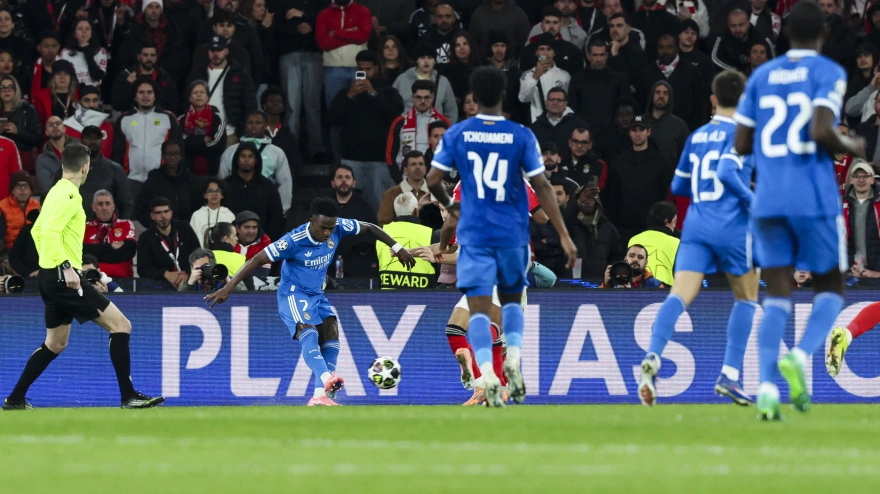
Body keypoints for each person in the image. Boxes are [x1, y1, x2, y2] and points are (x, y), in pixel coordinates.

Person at [733, 2, 866, 420]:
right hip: (812, 197)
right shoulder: (828, 72)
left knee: (776, 295)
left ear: (785, 34)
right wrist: (852, 146)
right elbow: (820, 129)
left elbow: (740, 144)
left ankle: (767, 389)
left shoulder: (761, 76)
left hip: (768, 197)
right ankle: (802, 355)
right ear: (824, 34)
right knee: (831, 285)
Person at [426, 66, 577, 407]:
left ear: (473, 99)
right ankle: (511, 361)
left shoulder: (459, 134)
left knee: (479, 313)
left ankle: (490, 378)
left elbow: (435, 181)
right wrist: (565, 236)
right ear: (504, 96)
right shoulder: (521, 135)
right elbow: (542, 188)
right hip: (514, 239)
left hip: (478, 238)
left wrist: (451, 217)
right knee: (508, 308)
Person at [206, 197, 417, 406]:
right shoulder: (293, 240)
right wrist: (227, 288)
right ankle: (327, 379)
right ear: (312, 221)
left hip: (316, 293)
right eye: (323, 228)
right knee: (309, 330)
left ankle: (320, 396)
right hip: (293, 293)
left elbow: (370, 228)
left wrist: (398, 248)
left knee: (331, 331)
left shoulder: (337, 226)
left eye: (331, 228)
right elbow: (257, 259)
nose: (327, 233)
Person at [3, 143, 163, 410]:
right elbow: (51, 233)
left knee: (55, 344)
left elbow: (37, 232)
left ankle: (15, 399)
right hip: (61, 276)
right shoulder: (69, 196)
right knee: (121, 325)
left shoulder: (54, 192)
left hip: (50, 277)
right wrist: (65, 267)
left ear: (63, 165)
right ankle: (129, 396)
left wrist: (56, 267)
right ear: (86, 167)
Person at [638, 75, 759, 407]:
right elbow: (727, 172)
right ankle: (730, 375)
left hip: (697, 226)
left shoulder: (696, 136)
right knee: (747, 298)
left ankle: (653, 354)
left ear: (712, 99)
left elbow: (678, 188)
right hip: (733, 227)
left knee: (680, 295)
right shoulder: (745, 135)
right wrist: (753, 202)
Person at [328, 49, 405, 213]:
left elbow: (394, 117)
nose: (364, 73)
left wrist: (373, 93)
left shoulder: (388, 93)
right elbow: (331, 120)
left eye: (368, 69)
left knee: (381, 208)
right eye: (360, 69)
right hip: (351, 160)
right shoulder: (345, 93)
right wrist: (349, 96)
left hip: (379, 161)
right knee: (349, 208)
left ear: (376, 68)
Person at [602, 115, 675, 242]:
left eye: (641, 129)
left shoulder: (661, 161)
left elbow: (666, 194)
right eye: (634, 130)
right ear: (629, 133)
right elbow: (612, 196)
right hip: (623, 228)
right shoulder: (619, 162)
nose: (637, 133)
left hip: (653, 228)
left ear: (648, 131)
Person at [113, 79, 182, 197]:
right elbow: (117, 152)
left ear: (155, 95)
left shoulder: (168, 118)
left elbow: (179, 150)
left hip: (161, 180)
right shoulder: (124, 119)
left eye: (149, 92)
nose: (145, 96)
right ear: (135, 96)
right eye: (141, 92)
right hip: (131, 180)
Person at [218, 111, 293, 214]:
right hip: (234, 204)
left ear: (265, 125)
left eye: (258, 123)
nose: (254, 126)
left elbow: (285, 184)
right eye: (250, 122)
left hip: (265, 204)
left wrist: (281, 210)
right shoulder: (230, 151)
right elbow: (222, 182)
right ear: (245, 125)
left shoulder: (277, 152)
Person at [187, 35, 256, 146]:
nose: (215, 54)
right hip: (202, 133)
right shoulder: (197, 73)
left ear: (227, 51)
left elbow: (250, 104)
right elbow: (187, 102)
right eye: (212, 50)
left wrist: (242, 131)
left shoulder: (240, 73)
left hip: (230, 133)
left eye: (219, 50)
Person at [386, 80, 452, 183]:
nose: (422, 101)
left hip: (435, 179)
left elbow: (451, 152)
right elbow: (390, 154)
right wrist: (398, 179)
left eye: (426, 97)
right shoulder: (400, 122)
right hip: (405, 179)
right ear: (412, 98)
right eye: (418, 97)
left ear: (433, 97)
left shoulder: (444, 122)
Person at [641, 34, 707, 131]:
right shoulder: (647, 73)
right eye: (661, 47)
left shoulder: (691, 71)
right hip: (653, 131)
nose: (665, 51)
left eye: (669, 47)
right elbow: (642, 104)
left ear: (676, 48)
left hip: (685, 130)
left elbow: (700, 104)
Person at [568, 39, 630, 139]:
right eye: (595, 55)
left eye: (602, 55)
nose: (599, 59)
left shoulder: (618, 78)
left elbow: (627, 108)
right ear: (588, 56)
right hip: (586, 135)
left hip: (613, 134)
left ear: (607, 55)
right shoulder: (577, 79)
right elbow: (572, 109)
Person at [137, 196, 203, 289]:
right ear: (152, 216)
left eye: (166, 211)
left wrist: (189, 273)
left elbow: (198, 254)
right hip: (161, 286)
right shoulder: (146, 237)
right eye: (158, 212)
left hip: (190, 280)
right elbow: (143, 269)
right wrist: (165, 274)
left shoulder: (184, 228)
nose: (163, 216)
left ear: (171, 213)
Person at [223, 141, 285, 240]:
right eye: (243, 156)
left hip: (261, 245)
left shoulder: (267, 186)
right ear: (237, 159)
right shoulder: (225, 185)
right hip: (230, 243)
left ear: (256, 160)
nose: (246, 160)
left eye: (250, 156)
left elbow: (276, 218)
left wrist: (268, 241)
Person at [375, 193, 436, 288]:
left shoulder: (382, 232)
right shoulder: (429, 233)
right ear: (416, 211)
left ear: (396, 213)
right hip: (422, 296)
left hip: (388, 296)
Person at [328, 164, 378, 277]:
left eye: (347, 177)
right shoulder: (324, 207)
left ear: (354, 182)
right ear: (333, 183)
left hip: (358, 266)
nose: (344, 180)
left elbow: (374, 235)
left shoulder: (365, 207)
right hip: (328, 265)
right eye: (340, 177)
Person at [136, 141, 202, 226]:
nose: (173, 157)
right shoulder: (153, 180)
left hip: (188, 229)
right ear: (163, 156)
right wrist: (156, 226)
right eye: (169, 154)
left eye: (176, 154)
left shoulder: (191, 179)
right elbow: (142, 209)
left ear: (180, 156)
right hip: (160, 230)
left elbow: (199, 207)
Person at [564, 183, 623, 279]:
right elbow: (559, 223)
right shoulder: (569, 225)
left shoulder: (608, 228)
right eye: (584, 199)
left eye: (591, 199)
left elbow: (616, 258)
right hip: (570, 284)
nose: (587, 202)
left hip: (600, 285)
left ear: (597, 202)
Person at [75, 125, 134, 221]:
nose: (93, 141)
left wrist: (119, 227)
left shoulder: (115, 169)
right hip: (75, 230)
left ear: (102, 141)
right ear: (81, 141)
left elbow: (126, 204)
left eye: (97, 138)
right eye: (89, 138)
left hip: (108, 231)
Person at [111, 41, 179, 114]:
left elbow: (174, 107)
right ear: (138, 57)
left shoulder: (165, 79)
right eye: (145, 55)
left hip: (158, 121)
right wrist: (128, 86)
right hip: (132, 120)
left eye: (152, 55)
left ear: (156, 57)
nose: (149, 58)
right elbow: (116, 105)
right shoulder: (125, 76)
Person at [393, 45, 457, 121]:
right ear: (416, 60)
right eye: (422, 57)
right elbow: (392, 106)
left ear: (435, 61)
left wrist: (447, 130)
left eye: (430, 58)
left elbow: (451, 111)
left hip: (435, 130)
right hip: (407, 130)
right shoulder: (402, 79)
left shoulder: (443, 82)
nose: (426, 61)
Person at [83, 189, 137, 278]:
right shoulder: (85, 227)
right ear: (93, 207)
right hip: (93, 280)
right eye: (100, 204)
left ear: (113, 206)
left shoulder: (126, 224)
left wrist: (95, 254)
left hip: (123, 280)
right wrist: (111, 247)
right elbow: (82, 252)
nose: (104, 208)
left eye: (107, 203)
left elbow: (128, 252)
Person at [518, 34, 571, 124]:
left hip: (560, 122)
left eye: (549, 49)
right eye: (542, 49)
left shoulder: (565, 76)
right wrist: (535, 77)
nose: (545, 53)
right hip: (536, 122)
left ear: (554, 52)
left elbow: (567, 101)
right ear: (537, 53)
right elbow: (524, 98)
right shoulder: (527, 74)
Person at [179, 80, 226, 177]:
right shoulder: (181, 119)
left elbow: (219, 146)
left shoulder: (217, 117)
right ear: (190, 98)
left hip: (211, 171)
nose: (199, 95)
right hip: (187, 172)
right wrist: (203, 139)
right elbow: (179, 144)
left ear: (207, 97)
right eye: (195, 92)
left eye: (202, 92)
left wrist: (191, 145)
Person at [842, 161, 880, 276]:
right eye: (857, 176)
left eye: (865, 176)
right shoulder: (840, 205)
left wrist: (877, 273)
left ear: (872, 179)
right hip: (849, 272)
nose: (861, 180)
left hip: (876, 273)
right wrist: (847, 270)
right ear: (851, 180)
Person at [628, 201, 680, 286]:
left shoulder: (633, 240)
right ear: (666, 221)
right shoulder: (677, 243)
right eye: (674, 222)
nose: (675, 226)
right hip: (665, 292)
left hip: (636, 291)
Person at [0, 75, 41, 172]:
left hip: (23, 160)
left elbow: (38, 139)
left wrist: (18, 132)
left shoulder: (28, 110)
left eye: (10, 87)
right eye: (2, 87)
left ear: (16, 90)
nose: (7, 90)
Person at [378, 151, 430, 226]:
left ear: (425, 169)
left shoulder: (435, 193)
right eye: (413, 164)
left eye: (421, 164)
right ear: (405, 170)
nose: (418, 167)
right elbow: (383, 224)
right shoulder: (391, 194)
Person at [63, 86, 115, 160]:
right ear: (79, 102)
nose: (91, 104)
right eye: (87, 100)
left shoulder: (107, 127)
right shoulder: (67, 127)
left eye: (95, 100)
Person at [58, 18, 109, 88]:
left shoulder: (100, 51)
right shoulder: (65, 52)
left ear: (91, 34)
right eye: (80, 29)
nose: (84, 32)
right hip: (73, 93)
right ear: (74, 34)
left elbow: (98, 76)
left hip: (92, 94)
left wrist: (87, 51)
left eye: (87, 29)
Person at [0, 171, 40, 256]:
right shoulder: (2, 207)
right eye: (18, 186)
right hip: (9, 253)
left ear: (31, 190)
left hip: (35, 253)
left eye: (26, 185)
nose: (22, 189)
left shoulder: (38, 207)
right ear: (12, 190)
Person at [32, 59, 79, 127]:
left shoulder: (79, 95)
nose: (62, 77)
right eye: (58, 74)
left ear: (71, 78)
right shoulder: (41, 98)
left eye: (66, 74)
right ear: (53, 78)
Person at [191, 178, 236, 247]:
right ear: (205, 195)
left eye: (217, 191)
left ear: (222, 195)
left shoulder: (229, 215)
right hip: (202, 254)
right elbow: (192, 237)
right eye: (210, 191)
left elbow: (233, 238)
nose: (214, 194)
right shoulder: (197, 215)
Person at [598, 244, 663, 288]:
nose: (635, 259)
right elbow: (597, 304)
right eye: (631, 256)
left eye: (640, 257)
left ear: (646, 263)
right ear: (625, 258)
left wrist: (630, 294)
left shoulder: (655, 285)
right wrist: (605, 285)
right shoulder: (613, 279)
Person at [36, 117, 73, 193]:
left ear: (64, 129)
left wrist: (55, 177)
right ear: (46, 132)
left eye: (58, 123)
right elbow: (47, 186)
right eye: (50, 125)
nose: (55, 126)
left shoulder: (80, 150)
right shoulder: (42, 159)